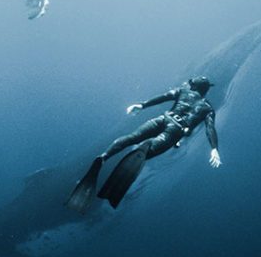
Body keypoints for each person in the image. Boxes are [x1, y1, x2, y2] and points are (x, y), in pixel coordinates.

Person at [65, 76, 221, 213]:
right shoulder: (208, 109)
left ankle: (104, 157)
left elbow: (163, 97)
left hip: (162, 119)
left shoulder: (183, 92)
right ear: (206, 90)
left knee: (131, 137)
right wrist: (214, 149)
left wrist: (142, 105)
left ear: (193, 86)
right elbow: (210, 129)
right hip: (175, 131)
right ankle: (144, 149)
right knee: (149, 148)